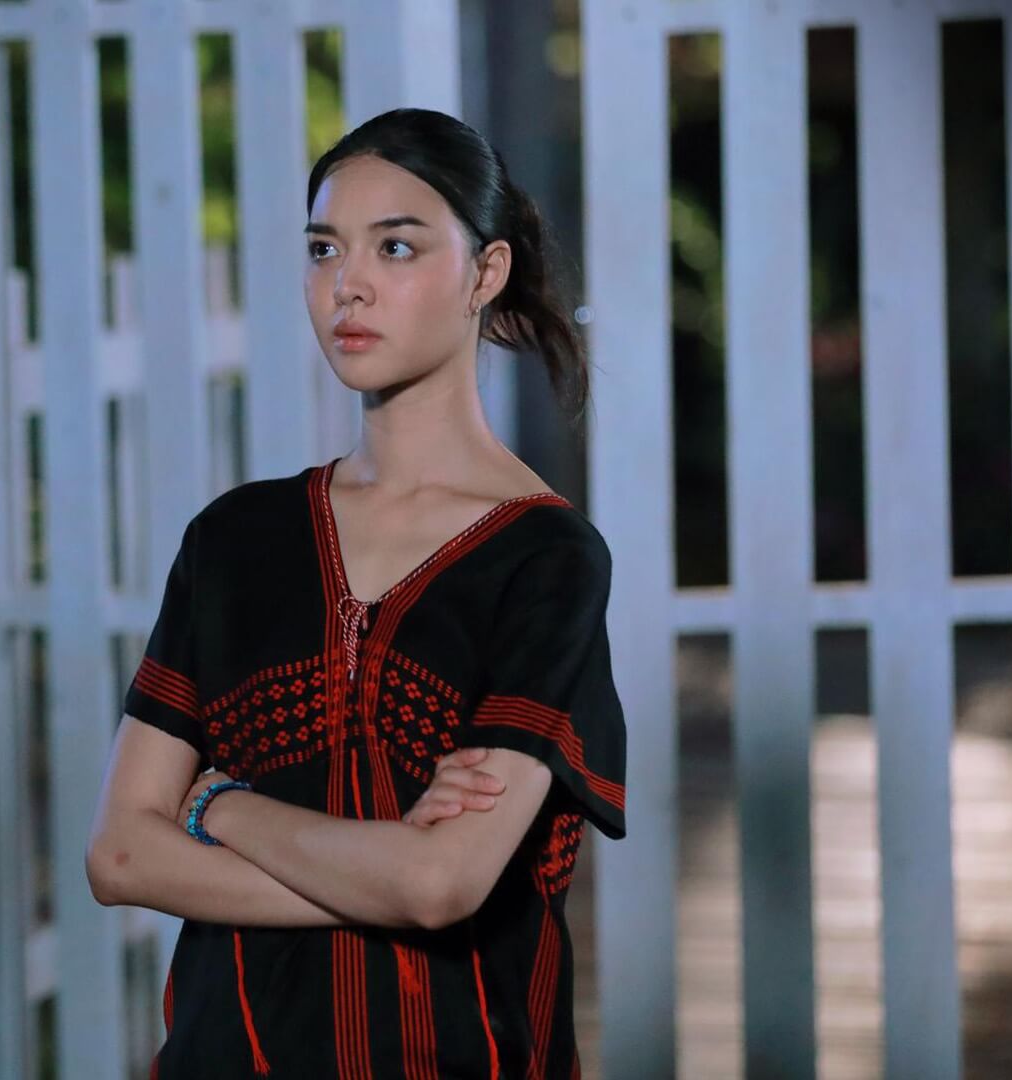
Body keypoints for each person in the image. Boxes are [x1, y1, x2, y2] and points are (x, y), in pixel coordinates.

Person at [87, 107, 625, 1079]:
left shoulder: (546, 561)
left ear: (486, 274)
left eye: (397, 246)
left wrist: (217, 807)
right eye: (324, 248)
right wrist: (380, 872)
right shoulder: (234, 541)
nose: (350, 284)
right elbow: (120, 857)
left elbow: (439, 885)